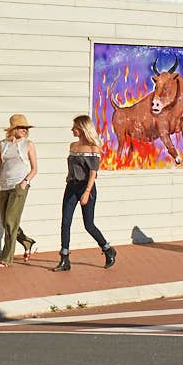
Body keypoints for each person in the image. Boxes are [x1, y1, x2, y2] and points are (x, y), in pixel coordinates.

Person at [53, 115, 116, 272]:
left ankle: (108, 249)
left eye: (74, 127)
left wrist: (87, 192)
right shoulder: (73, 146)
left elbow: (93, 173)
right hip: (71, 186)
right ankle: (64, 258)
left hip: (86, 187)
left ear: (82, 128)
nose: (72, 129)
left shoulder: (94, 149)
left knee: (88, 225)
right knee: (65, 222)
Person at [0, 114, 38, 268]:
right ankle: (26, 241)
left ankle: (6, 259)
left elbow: (35, 169)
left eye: (26, 128)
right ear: (13, 129)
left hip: (19, 187)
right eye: (21, 127)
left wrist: (25, 182)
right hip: (3, 186)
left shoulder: (28, 144)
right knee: (6, 222)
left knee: (10, 222)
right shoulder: (2, 145)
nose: (24, 130)